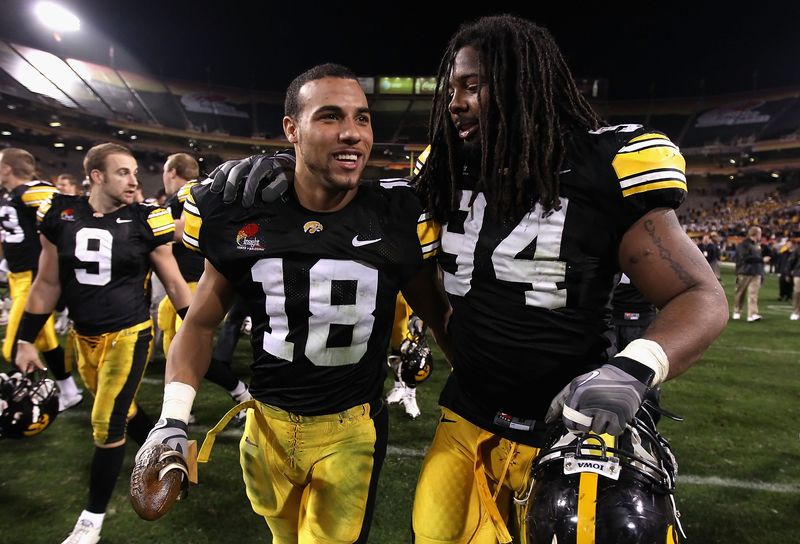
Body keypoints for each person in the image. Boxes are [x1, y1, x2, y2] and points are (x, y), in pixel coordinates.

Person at [208, 16, 727, 543]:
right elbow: (362, 203)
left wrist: (633, 370)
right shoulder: (446, 167)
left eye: (473, 86)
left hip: (570, 428)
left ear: (526, 83)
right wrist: (288, 165)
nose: (454, 102)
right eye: (452, 88)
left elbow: (699, 294)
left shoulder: (604, 164)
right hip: (470, 413)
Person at [136, 63, 450, 543]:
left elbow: (441, 318)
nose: (352, 133)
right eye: (330, 117)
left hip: (352, 430)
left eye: (362, 118)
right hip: (267, 429)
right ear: (292, 129)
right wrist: (172, 416)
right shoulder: (242, 208)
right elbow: (199, 325)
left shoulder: (396, 216)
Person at [14, 142, 193, 544]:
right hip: (82, 337)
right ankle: (174, 454)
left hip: (129, 336)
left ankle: (90, 523)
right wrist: (26, 338)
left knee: (106, 423)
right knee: (124, 410)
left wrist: (196, 327)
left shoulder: (147, 218)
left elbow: (175, 283)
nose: (134, 180)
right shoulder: (61, 214)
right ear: (96, 176)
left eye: (134, 172)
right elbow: (46, 282)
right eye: (123, 172)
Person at [158, 153, 251, 424]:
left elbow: (190, 228)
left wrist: (150, 226)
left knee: (188, 347)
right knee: (173, 346)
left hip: (194, 281)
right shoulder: (181, 195)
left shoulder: (190, 190)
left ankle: (240, 393)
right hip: (186, 279)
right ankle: (179, 407)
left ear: (171, 171)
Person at [0, 148, 82, 412]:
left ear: (8, 168)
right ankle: (69, 392)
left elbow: (67, 214)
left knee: (14, 346)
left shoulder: (34, 191)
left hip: (35, 278)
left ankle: (18, 407)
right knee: (45, 341)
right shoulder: (9, 195)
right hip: (17, 277)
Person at [733, 225, 765, 322]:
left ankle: (752, 314)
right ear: (756, 234)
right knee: (740, 293)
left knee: (753, 294)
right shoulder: (743, 245)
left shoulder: (757, 245)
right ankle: (737, 311)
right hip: (744, 272)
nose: (761, 235)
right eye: (760, 233)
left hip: (756, 272)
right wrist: (761, 259)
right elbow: (745, 258)